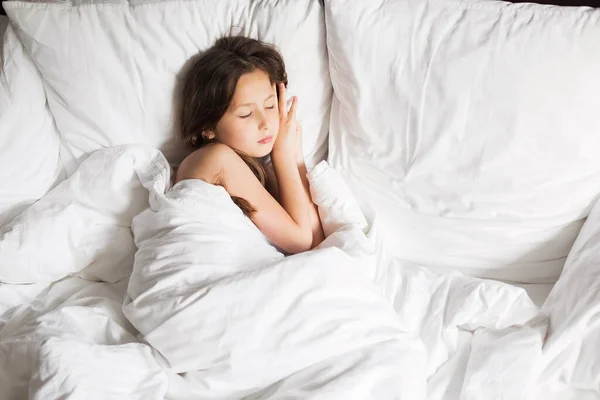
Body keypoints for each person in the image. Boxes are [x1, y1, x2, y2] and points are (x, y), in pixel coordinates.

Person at [176, 36, 325, 254]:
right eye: (246, 114)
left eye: (270, 106)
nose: (266, 124)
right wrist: (283, 154)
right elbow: (300, 241)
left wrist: (296, 156)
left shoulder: (260, 171)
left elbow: (316, 242)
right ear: (208, 127)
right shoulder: (216, 159)